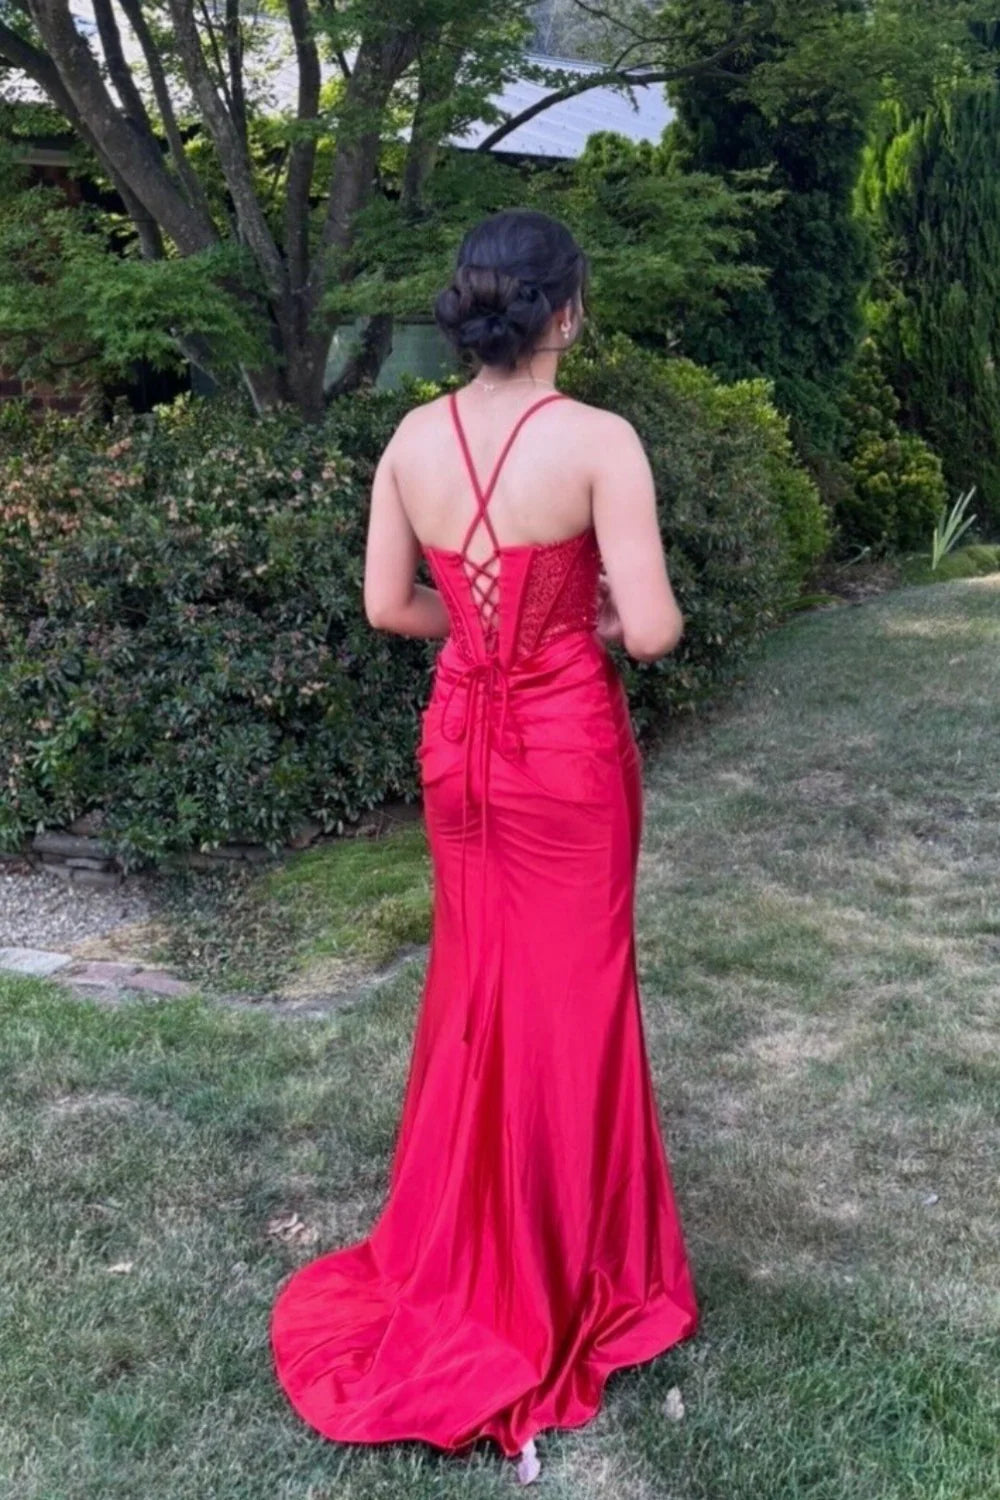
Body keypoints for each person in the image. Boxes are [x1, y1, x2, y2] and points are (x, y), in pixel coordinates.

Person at [270, 208, 698, 1485]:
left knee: (475, 995)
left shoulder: (411, 441)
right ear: (566, 311)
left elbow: (386, 605)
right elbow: (655, 631)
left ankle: (461, 1248)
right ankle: (564, 1274)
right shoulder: (598, 440)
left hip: (460, 742)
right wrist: (596, 623)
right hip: (562, 749)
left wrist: (481, 635)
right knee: (573, 1003)